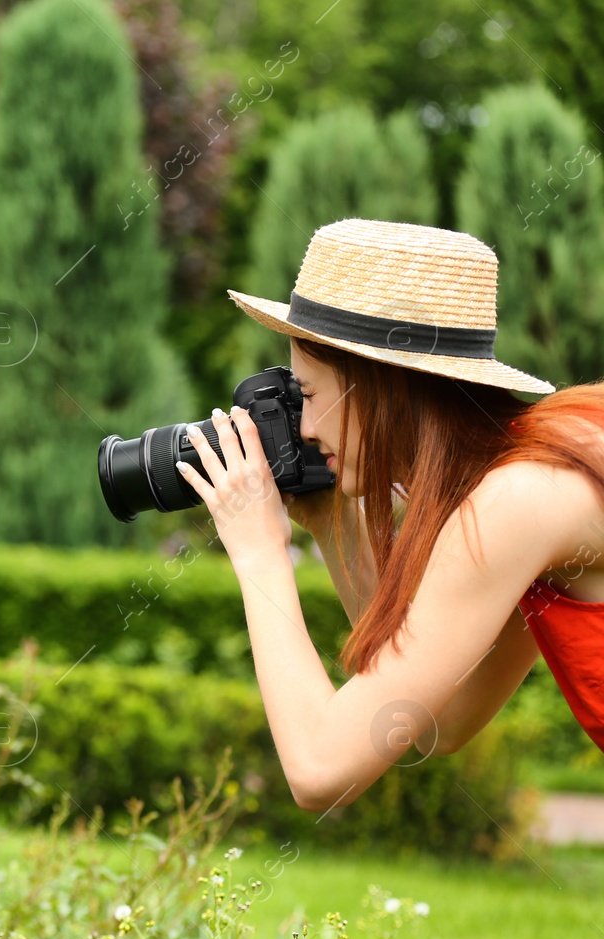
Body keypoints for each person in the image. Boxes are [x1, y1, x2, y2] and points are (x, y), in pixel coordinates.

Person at [178, 217, 604, 814]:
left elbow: (321, 768)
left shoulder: (519, 501)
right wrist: (334, 525)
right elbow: (438, 719)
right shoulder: (553, 456)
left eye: (312, 394)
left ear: (381, 387)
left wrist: (259, 551)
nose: (301, 427)